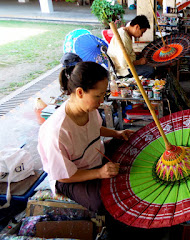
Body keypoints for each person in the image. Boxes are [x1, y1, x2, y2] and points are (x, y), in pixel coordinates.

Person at [37, 59, 137, 235]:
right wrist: (99, 173)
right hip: (70, 178)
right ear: (80, 92)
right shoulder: (56, 131)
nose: (101, 100)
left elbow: (95, 128)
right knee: (104, 201)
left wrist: (117, 134)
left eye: (103, 95)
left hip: (95, 156)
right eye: (98, 96)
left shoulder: (89, 110)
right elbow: (63, 176)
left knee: (129, 142)